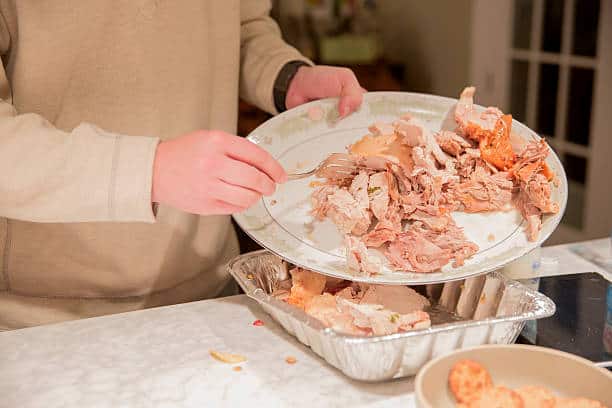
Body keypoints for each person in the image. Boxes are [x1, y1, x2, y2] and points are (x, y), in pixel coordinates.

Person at [0, 1, 363, 330]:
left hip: (213, 290)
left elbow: (243, 24)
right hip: (42, 319)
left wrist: (284, 77)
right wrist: (149, 170)